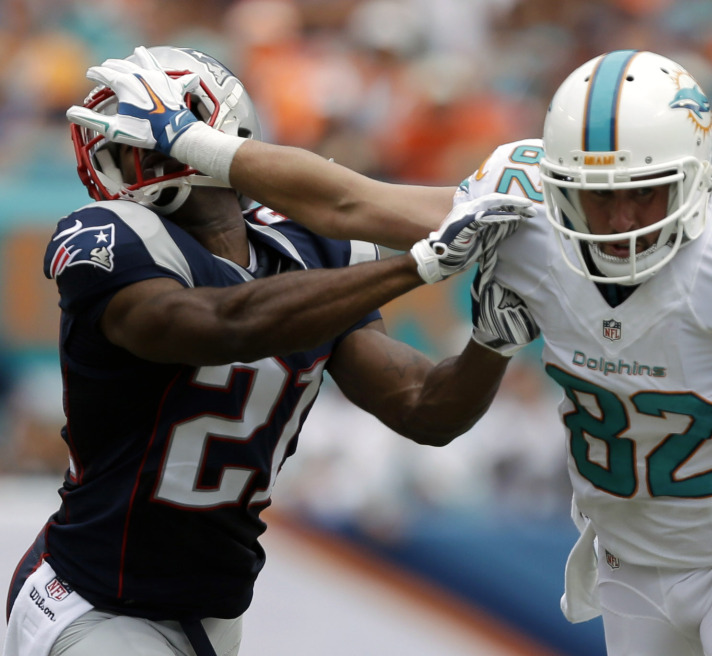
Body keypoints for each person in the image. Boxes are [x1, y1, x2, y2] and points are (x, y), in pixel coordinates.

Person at [76, 48, 712, 656]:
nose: (616, 221)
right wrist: (200, 149)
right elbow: (350, 203)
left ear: (696, 176)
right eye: (590, 195)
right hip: (630, 553)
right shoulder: (525, 214)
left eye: (640, 195)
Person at [2, 46, 536, 656]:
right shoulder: (110, 237)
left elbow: (424, 409)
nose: (133, 156)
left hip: (211, 610)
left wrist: (495, 339)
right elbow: (222, 322)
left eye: (148, 136)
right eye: (121, 143)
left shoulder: (311, 244)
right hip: (92, 597)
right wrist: (417, 267)